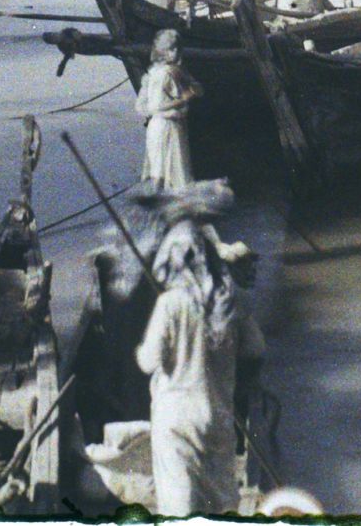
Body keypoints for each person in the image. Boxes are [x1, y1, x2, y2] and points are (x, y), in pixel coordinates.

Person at [135, 223, 266, 518]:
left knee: (179, 508)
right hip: (218, 416)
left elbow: (148, 361)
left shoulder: (170, 303)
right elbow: (256, 350)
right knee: (222, 504)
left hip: (177, 420)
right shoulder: (233, 299)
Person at [136, 30, 201, 192]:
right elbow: (156, 106)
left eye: (177, 49)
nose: (175, 53)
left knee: (159, 171)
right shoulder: (167, 74)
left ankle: (157, 204)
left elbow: (141, 107)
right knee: (175, 173)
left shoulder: (152, 73)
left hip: (157, 126)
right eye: (171, 49)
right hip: (168, 127)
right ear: (162, 51)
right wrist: (185, 98)